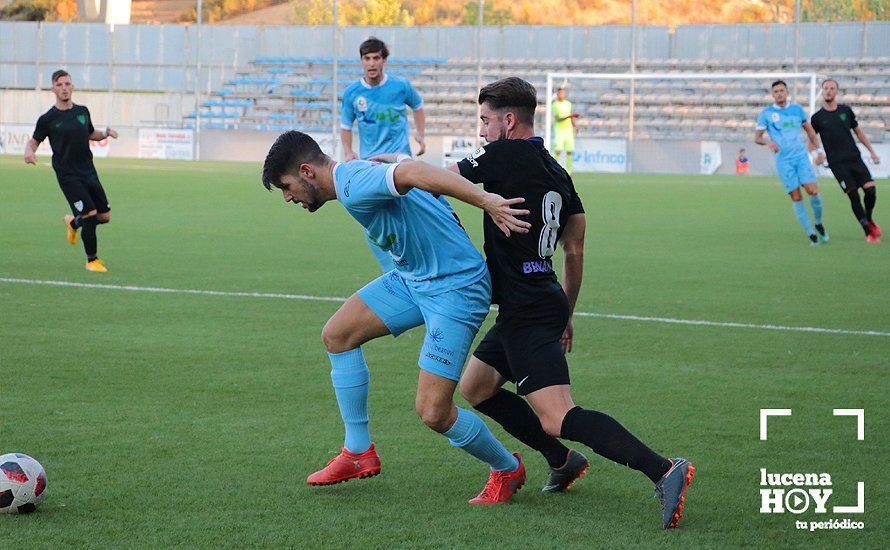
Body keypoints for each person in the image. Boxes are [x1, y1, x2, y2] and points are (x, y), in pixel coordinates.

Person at [454, 77, 693, 529]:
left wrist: (393, 172)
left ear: (508, 121)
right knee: (477, 388)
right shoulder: (558, 172)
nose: (482, 131)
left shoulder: (501, 153)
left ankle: (663, 469)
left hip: (526, 309)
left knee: (558, 415)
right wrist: (567, 312)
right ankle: (563, 461)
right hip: (540, 300)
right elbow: (575, 249)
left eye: (485, 121)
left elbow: (442, 179)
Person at [261, 131, 533, 505]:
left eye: (287, 187)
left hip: (455, 288)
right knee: (337, 335)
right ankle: (358, 451)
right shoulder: (355, 178)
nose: (288, 197)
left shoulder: (354, 183)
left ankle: (507, 468)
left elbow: (414, 171)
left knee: (434, 412)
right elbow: (400, 170)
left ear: (307, 171)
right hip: (413, 280)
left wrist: (486, 200)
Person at [341, 37, 427, 270]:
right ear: (361, 61)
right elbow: (346, 126)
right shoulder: (353, 93)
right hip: (372, 165)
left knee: (410, 215)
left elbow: (418, 106)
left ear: (384, 60)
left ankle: (417, 265)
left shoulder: (400, 87)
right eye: (367, 58)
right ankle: (393, 270)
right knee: (374, 220)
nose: (371, 63)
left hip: (400, 163)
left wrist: (420, 134)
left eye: (376, 58)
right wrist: (349, 151)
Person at [23, 69, 119, 271]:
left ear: (72, 87)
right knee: (90, 214)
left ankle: (73, 224)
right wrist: (29, 152)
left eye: (67, 84)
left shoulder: (82, 111)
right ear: (53, 89)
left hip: (88, 170)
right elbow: (33, 142)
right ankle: (92, 260)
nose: (64, 88)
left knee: (104, 217)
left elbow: (91, 133)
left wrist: (105, 133)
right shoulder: (47, 119)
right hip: (68, 174)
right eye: (59, 85)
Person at [755, 80, 828, 246]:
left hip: (801, 158)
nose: (779, 93)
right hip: (784, 161)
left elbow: (810, 132)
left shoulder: (797, 110)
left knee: (813, 190)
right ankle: (811, 233)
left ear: (787, 92)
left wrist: (819, 151)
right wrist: (768, 142)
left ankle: (818, 223)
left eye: (782, 90)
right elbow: (757, 138)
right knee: (796, 196)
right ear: (772, 94)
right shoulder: (766, 114)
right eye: (776, 91)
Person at [811, 78, 882, 243]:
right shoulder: (817, 118)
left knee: (870, 190)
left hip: (854, 158)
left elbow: (859, 133)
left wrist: (872, 152)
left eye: (832, 88)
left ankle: (869, 219)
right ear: (822, 91)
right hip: (837, 164)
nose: (828, 91)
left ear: (837, 92)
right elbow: (812, 141)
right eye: (826, 88)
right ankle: (868, 232)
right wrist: (818, 155)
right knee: (854, 196)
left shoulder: (846, 111)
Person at [551, 86, 578, 175]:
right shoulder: (555, 104)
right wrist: (570, 116)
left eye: (563, 93)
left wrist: (574, 125)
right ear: (557, 94)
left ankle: (569, 172)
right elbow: (558, 119)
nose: (561, 94)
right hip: (559, 131)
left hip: (569, 131)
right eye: (560, 93)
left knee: (569, 151)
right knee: (558, 151)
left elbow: (571, 117)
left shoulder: (568, 104)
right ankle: (551, 169)